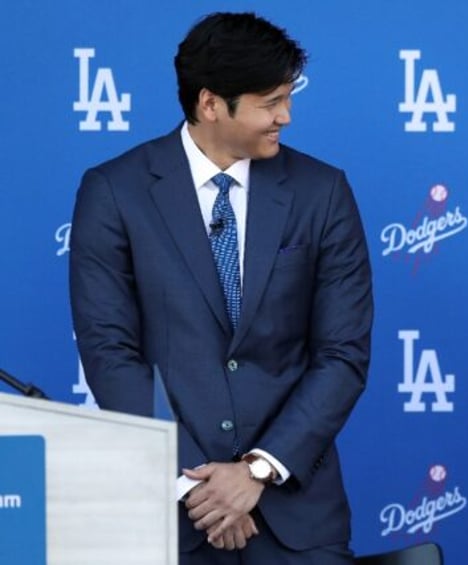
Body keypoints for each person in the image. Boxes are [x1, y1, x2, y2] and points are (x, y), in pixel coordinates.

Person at [70, 12, 372, 564]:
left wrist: (256, 471)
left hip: (298, 522)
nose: (286, 115)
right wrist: (202, 487)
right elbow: (110, 354)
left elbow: (342, 353)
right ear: (211, 104)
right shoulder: (114, 191)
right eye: (270, 101)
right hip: (169, 521)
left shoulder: (322, 192)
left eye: (288, 97)